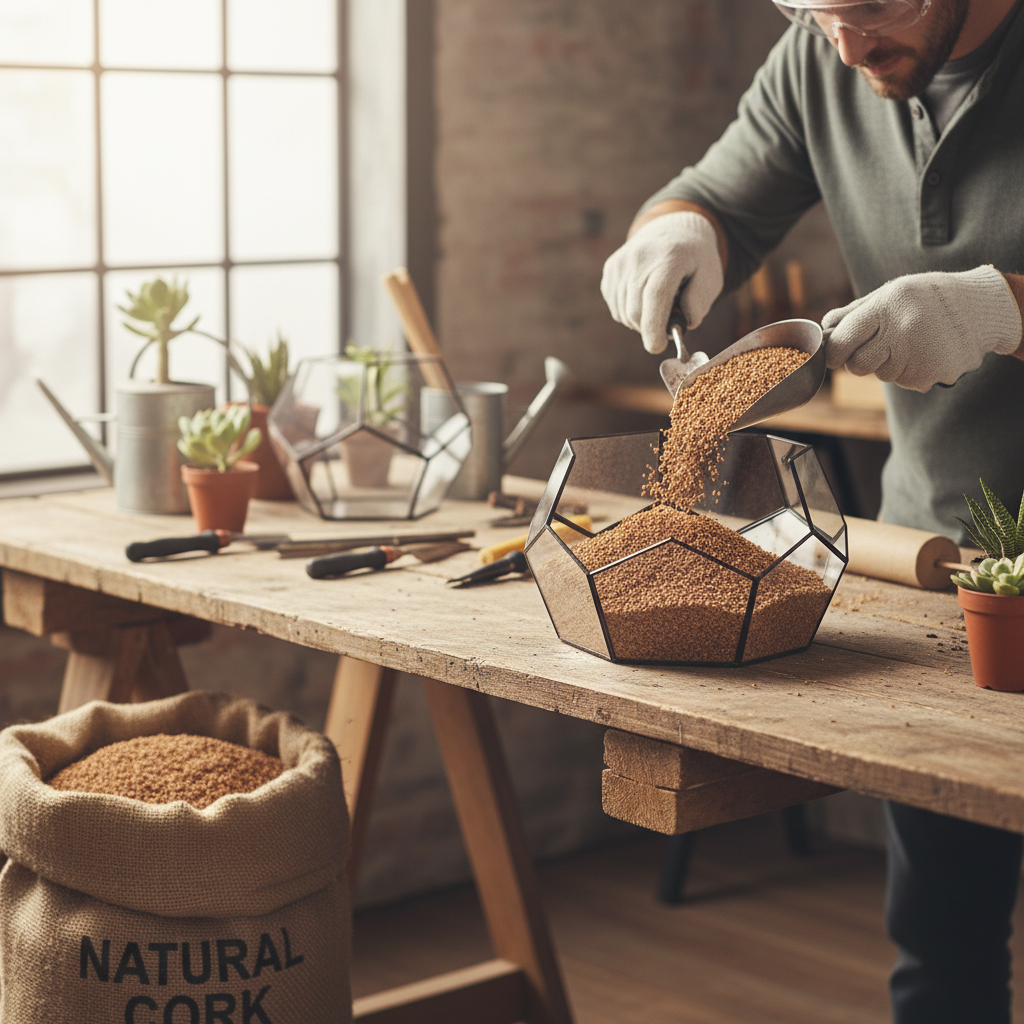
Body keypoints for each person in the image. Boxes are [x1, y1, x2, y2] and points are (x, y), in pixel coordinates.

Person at [600, 0, 1024, 1021]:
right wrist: (676, 233)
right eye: (808, 9)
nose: (844, 45)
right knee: (941, 945)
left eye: (870, 6)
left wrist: (1000, 308)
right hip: (954, 566)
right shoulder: (819, 60)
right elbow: (710, 193)